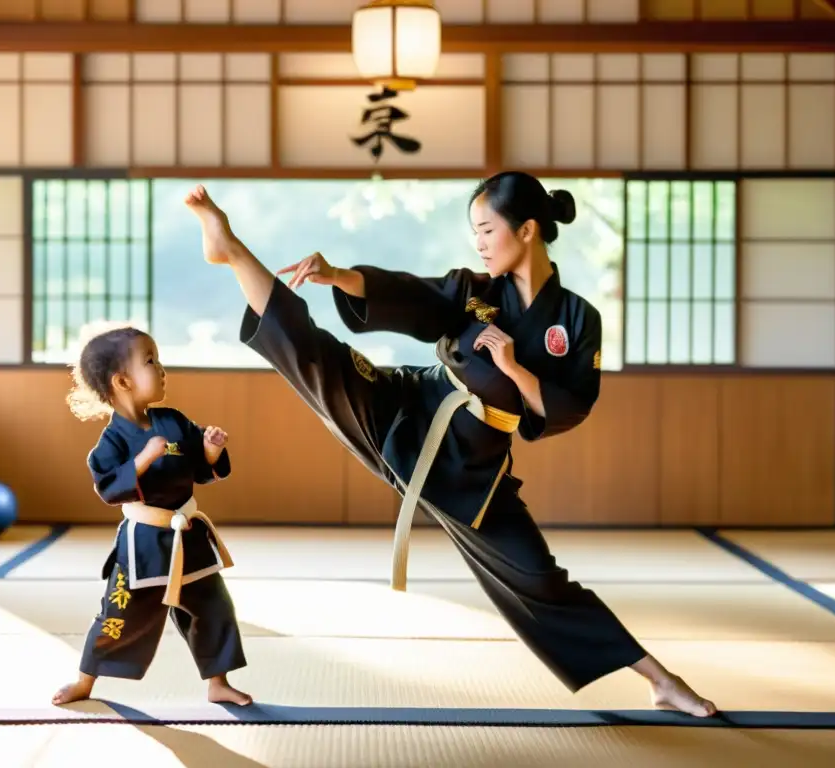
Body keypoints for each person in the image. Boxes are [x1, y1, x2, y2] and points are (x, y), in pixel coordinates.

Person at [183, 171, 717, 718]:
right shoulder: (475, 291)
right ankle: (233, 251)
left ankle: (662, 680)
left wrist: (513, 367)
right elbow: (417, 298)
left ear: (528, 229)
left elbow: (570, 404)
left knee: (541, 580)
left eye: (487, 230)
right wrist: (340, 275)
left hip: (475, 471)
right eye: (475, 233)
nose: (479, 244)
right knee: (317, 355)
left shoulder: (579, 320)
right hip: (408, 411)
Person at [51, 324, 252, 707]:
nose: (161, 369)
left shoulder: (174, 421)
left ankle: (218, 682)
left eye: (158, 359)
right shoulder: (110, 442)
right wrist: (142, 460)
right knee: (119, 612)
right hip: (143, 543)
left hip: (187, 536)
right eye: (150, 361)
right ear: (123, 380)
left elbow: (200, 468)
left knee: (213, 606)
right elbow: (109, 487)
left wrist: (209, 452)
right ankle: (84, 680)